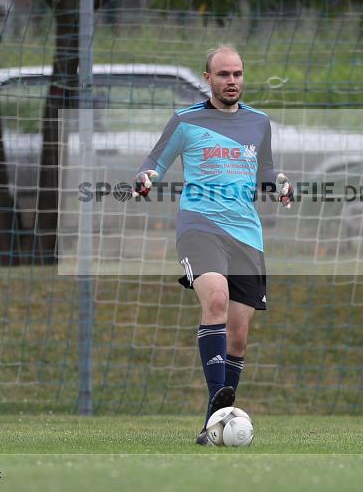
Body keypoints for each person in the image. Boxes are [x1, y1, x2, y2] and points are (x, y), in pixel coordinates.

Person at [133, 45, 292, 445]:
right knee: (216, 301)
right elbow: (155, 161)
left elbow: (267, 168)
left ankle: (213, 423)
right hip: (200, 226)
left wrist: (280, 183)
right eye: (223, 74)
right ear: (208, 78)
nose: (232, 81)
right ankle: (219, 409)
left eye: (237, 73)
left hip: (246, 235)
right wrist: (146, 177)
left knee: (238, 335)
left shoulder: (259, 122)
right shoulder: (186, 121)